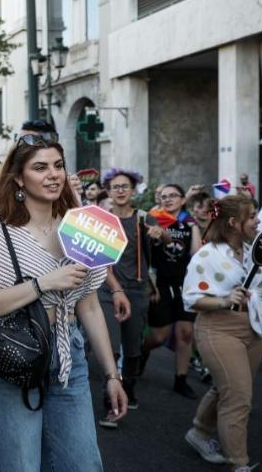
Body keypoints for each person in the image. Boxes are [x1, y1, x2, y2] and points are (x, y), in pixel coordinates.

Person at [0, 133, 127, 471]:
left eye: (58, 166)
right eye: (40, 167)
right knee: (20, 465)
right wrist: (43, 283)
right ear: (19, 178)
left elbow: (90, 306)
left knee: (83, 465)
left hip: (70, 357)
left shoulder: (81, 227)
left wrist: (112, 374)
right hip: (16, 357)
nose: (53, 174)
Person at [182, 196, 262, 471]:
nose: (258, 221)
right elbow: (191, 298)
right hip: (218, 329)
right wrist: (225, 298)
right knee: (239, 397)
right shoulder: (208, 256)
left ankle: (198, 433)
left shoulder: (255, 250)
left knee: (226, 389)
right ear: (233, 222)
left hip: (252, 329)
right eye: (252, 216)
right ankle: (238, 464)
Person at [97, 168, 162, 427]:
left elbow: (164, 238)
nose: (121, 190)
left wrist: (161, 234)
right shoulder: (100, 219)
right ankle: (110, 403)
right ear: (109, 192)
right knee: (111, 347)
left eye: (125, 186)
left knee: (133, 348)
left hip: (136, 290)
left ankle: (130, 386)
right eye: (116, 187)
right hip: (105, 289)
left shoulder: (145, 218)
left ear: (133, 191)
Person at [140, 184, 203, 399]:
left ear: (183, 199)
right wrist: (150, 284)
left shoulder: (189, 223)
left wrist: (196, 226)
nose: (168, 200)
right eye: (164, 196)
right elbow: (144, 253)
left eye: (173, 196)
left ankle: (180, 380)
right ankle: (141, 353)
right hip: (161, 285)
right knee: (158, 336)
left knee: (185, 333)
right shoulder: (153, 219)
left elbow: (196, 254)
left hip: (185, 285)